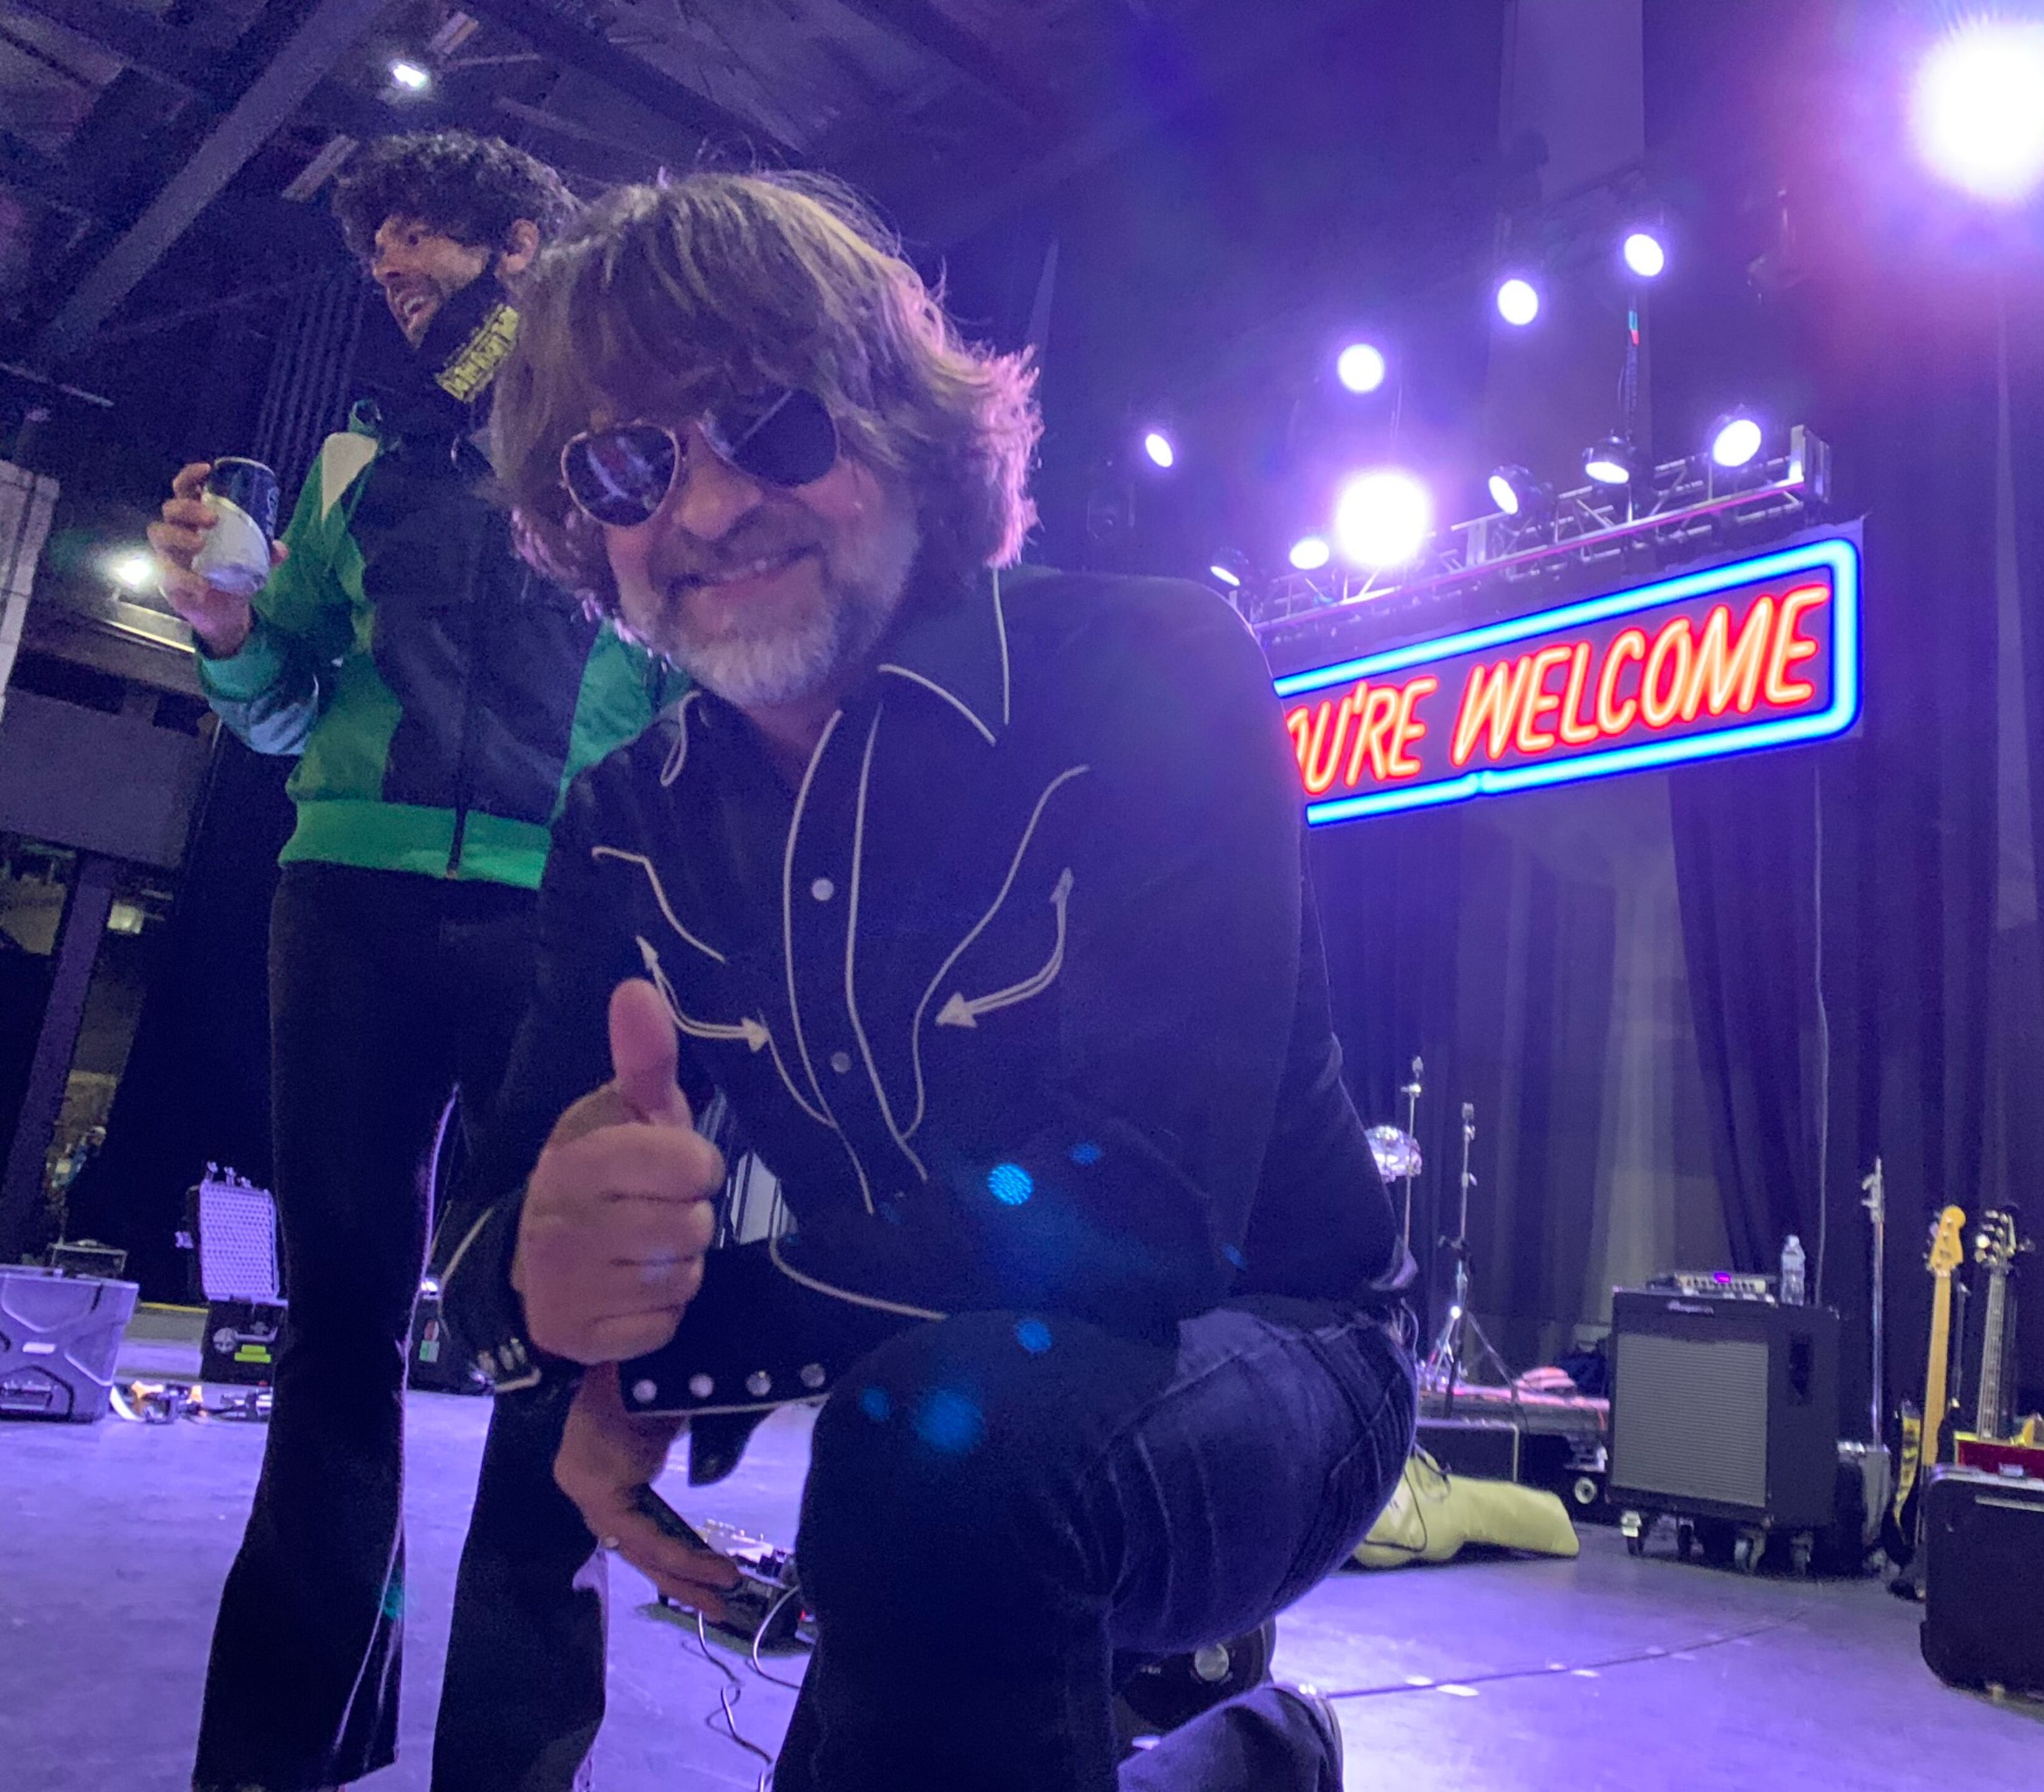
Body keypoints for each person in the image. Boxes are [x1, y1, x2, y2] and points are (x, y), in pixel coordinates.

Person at [436, 170, 1416, 1790]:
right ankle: (1242, 1770)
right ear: (580, 527)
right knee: (930, 1498)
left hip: (1280, 1355)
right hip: (946, 1395)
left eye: (769, 422)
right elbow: (488, 1231)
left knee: (933, 1460)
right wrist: (562, 1300)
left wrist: (684, 1349)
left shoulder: (1152, 666)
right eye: (627, 463)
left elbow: (1142, 1212)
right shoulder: (626, 825)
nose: (701, 509)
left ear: (901, 431)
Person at [146, 133, 673, 1792]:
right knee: (336, 1331)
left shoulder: (634, 450)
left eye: (426, 245)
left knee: (552, 1352)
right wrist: (227, 636)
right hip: (345, 904)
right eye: (381, 255)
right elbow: (291, 690)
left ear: (525, 248)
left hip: (557, 919)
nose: (396, 274)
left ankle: (509, 1766)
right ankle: (286, 1748)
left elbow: (684, 701)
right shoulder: (358, 452)